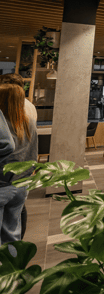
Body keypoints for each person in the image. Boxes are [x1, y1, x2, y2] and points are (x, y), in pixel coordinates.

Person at [0, 84, 35, 244]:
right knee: (12, 232)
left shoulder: (4, 125)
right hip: (22, 183)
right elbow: (34, 151)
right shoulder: (29, 122)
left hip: (3, 184)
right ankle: (13, 259)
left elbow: (8, 148)